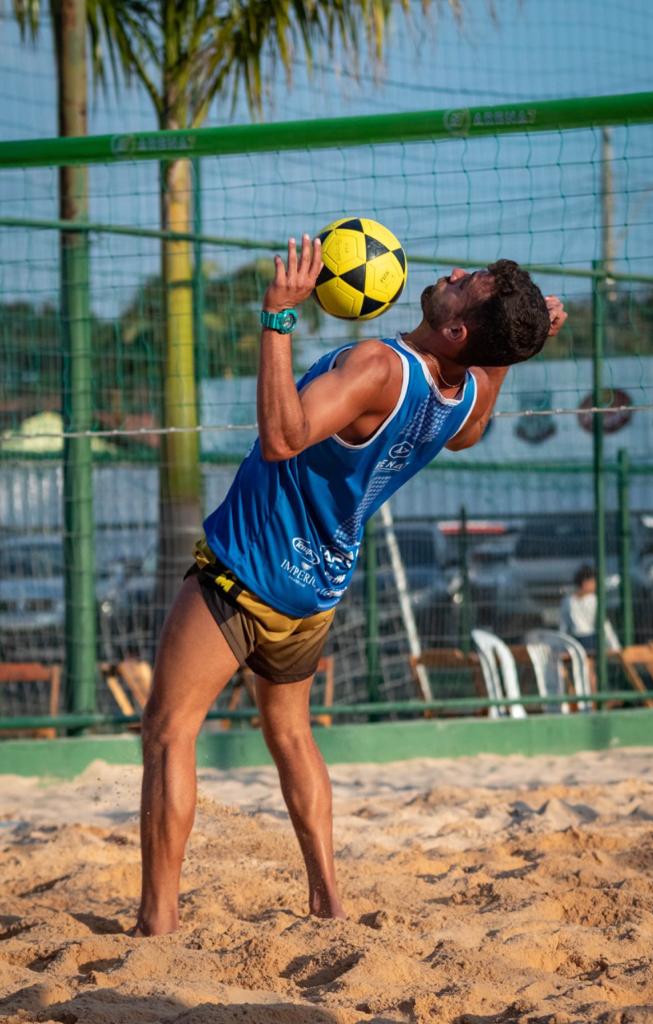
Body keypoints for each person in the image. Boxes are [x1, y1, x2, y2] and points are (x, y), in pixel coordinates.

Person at [135, 234, 567, 936]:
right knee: (291, 736)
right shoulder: (461, 395)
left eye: (468, 284)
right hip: (319, 589)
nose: (453, 272)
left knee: (167, 732)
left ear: (457, 329)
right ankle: (328, 902)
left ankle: (157, 921)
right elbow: (471, 429)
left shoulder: (377, 367)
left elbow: (282, 438)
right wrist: (507, 354)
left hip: (249, 569)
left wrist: (278, 316)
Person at [559, 564, 620, 653]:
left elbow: (563, 626)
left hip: (574, 641)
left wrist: (561, 645)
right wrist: (615, 645)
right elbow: (604, 624)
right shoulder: (594, 600)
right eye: (593, 582)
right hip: (591, 640)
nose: (596, 585)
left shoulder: (567, 600)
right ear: (585, 583)